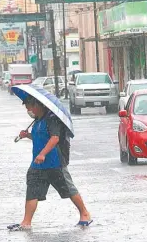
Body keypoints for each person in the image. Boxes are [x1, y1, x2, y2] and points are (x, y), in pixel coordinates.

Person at [8, 96, 92, 231]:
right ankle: (26, 221)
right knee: (32, 191)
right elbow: (39, 137)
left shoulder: (52, 119)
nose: (28, 109)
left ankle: (85, 213)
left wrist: (43, 154)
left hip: (54, 162)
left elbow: (54, 138)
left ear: (37, 104)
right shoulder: (37, 120)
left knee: (68, 189)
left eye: (29, 106)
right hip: (37, 164)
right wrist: (27, 135)